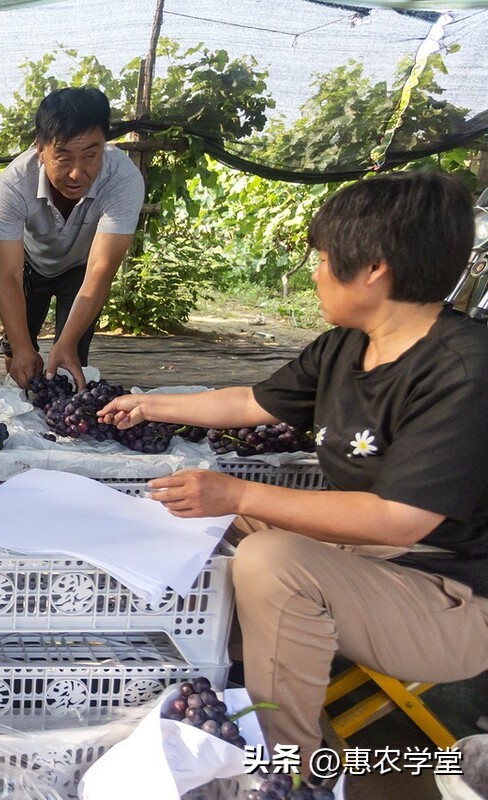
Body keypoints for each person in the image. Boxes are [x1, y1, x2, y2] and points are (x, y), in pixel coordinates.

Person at [97, 171, 488, 770]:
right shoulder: (343, 347)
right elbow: (251, 401)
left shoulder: (463, 371)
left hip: (449, 598)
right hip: (357, 556)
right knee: (181, 517)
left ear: (375, 269)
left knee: (271, 561)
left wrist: (234, 492)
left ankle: (293, 768)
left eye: (325, 258)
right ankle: (187, 677)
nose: (314, 271)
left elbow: (399, 520)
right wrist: (149, 403)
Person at [0, 87, 144, 390]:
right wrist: (22, 349)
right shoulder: (12, 185)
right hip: (28, 267)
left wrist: (67, 341)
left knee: (71, 355)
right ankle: (20, 397)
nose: (77, 173)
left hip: (81, 268)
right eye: (63, 157)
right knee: (18, 349)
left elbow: (101, 270)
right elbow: (7, 275)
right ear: (40, 148)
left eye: (90, 155)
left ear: (104, 145)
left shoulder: (123, 180)